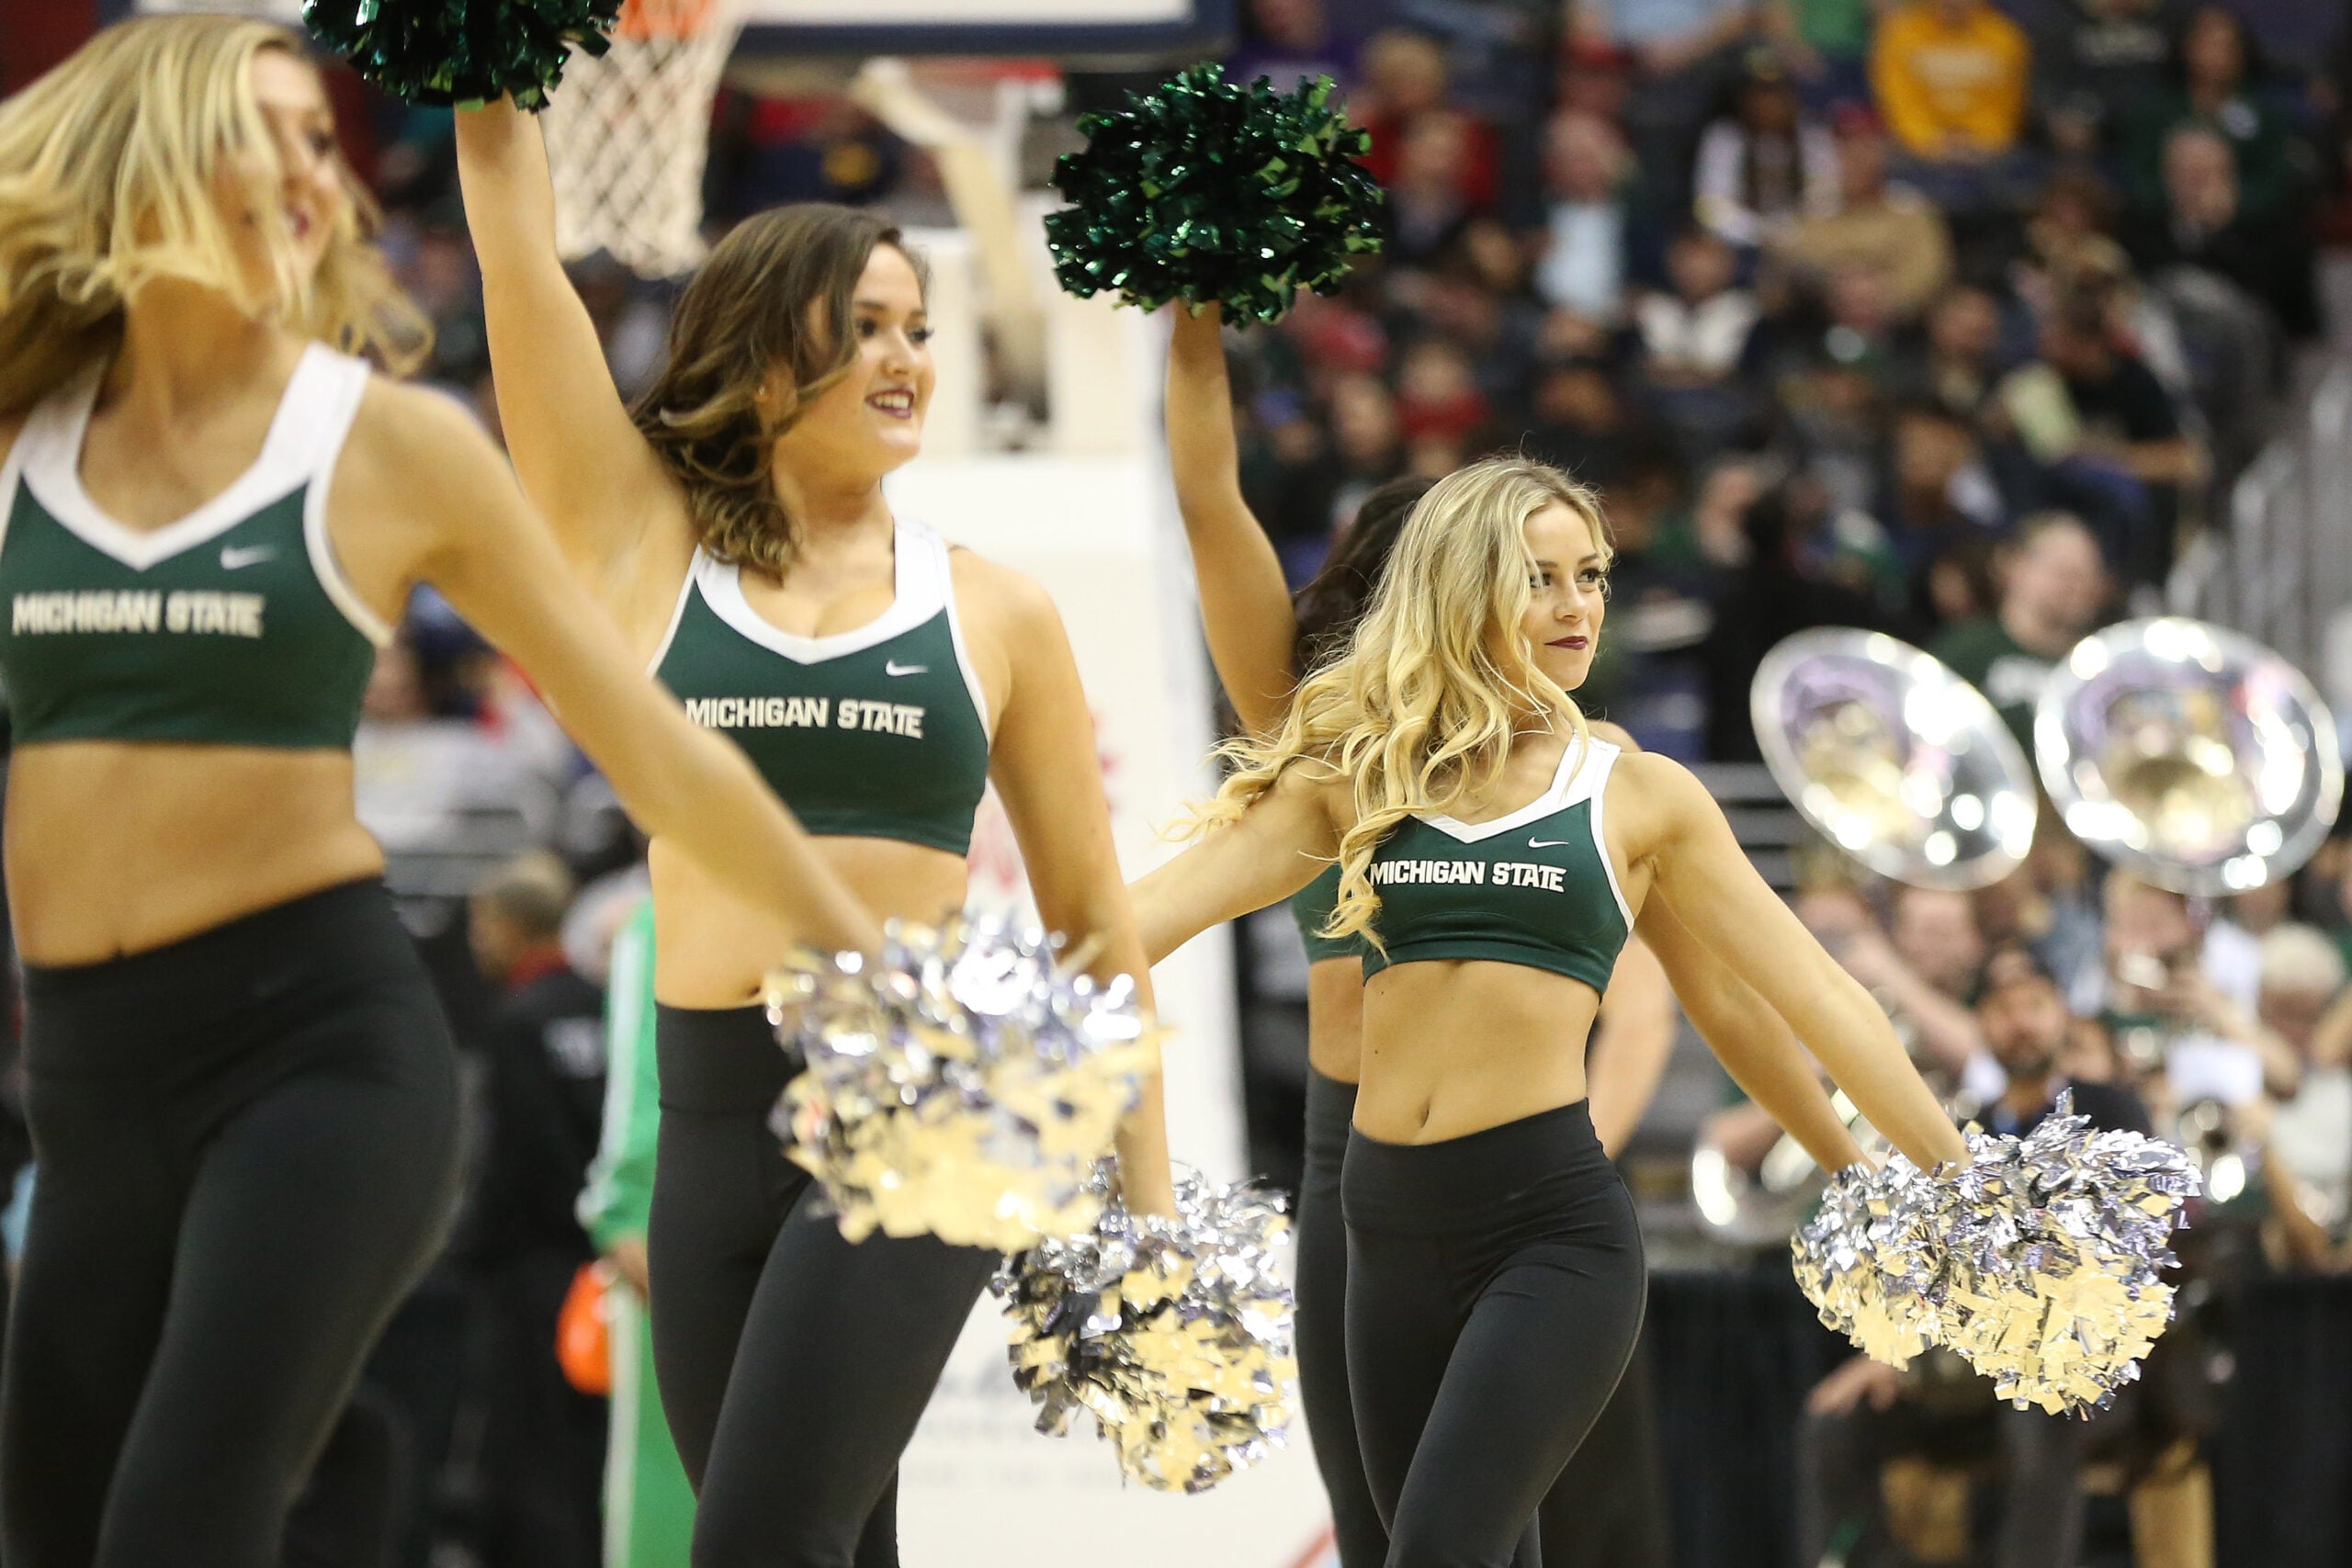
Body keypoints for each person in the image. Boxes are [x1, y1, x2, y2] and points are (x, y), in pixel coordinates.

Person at [0, 18, 882, 1568]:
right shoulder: (25, 439)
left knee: (170, 1527)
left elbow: (657, 744)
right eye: (256, 132)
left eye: (314, 138)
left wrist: (869, 963)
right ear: (139, 158)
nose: (303, 172)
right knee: (48, 1522)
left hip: (319, 1056)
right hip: (83, 1071)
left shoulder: (387, 444)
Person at [453, 95, 1173, 1566]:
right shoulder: (644, 547)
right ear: (767, 350)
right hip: (708, 1116)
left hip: (921, 1114)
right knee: (825, 1541)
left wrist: (1151, 1224)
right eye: (869, 326)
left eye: (915, 326)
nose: (908, 357)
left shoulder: (997, 609)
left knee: (761, 1543)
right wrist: (487, 79)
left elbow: (1095, 921)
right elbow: (517, 259)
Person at [1134, 451, 1967, 1566]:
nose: (1576, 605)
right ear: (1460, 588)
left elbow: (1813, 992)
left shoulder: (1636, 794)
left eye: (1593, 575)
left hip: (1547, 1232)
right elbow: (1142, 921)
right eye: (1540, 577)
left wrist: (1950, 1185)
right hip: (1380, 1228)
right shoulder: (1357, 778)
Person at [1798, 941, 2150, 1568]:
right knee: (1838, 1419)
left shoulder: (2111, 1109)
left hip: (2090, 1367)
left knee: (2038, 1406)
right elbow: (1929, 1266)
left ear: (2062, 1014)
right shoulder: (1960, 1129)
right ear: (1981, 1024)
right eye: (2002, 1007)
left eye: (2036, 1004)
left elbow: (2116, 1256)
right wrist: (1895, 1353)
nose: (2021, 1021)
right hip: (1972, 1371)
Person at [458, 852, 609, 1568]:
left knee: (531, 1450)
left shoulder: (517, 1020)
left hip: (535, 1272)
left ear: (512, 925)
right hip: (612, 1264)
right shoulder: (607, 1002)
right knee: (591, 1446)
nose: (478, 941)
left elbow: (519, 1162)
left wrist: (472, 1252)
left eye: (483, 925)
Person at [1928, 510, 2109, 751]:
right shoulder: (1966, 649)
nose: (2074, 586)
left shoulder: (2102, 667)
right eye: (2062, 572)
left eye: (2085, 576)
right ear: (2013, 565)